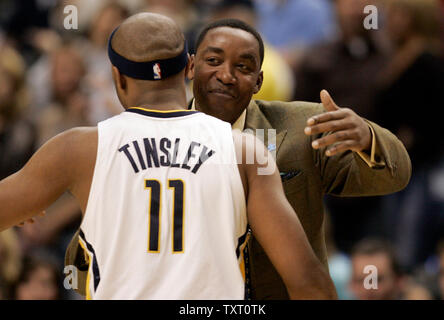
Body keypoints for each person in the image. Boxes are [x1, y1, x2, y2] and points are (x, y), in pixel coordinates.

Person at [1, 12, 336, 299]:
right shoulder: (246, 151)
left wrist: (23, 205)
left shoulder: (77, 148)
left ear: (117, 76)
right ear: (189, 67)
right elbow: (309, 284)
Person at [186, 18, 411, 299]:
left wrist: (367, 137)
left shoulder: (303, 128)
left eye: (242, 67)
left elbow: (395, 175)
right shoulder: (156, 139)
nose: (226, 75)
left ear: (258, 81)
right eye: (214, 60)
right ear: (191, 66)